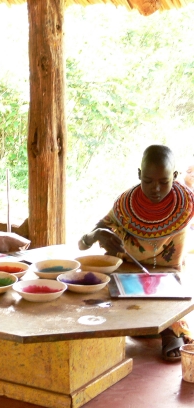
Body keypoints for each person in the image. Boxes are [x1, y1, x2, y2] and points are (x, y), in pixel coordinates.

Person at [78, 144, 194, 361]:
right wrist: (96, 235)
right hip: (128, 270)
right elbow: (82, 244)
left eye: (164, 182)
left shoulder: (186, 204)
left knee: (171, 295)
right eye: (148, 181)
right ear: (139, 174)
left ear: (175, 176)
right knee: (97, 293)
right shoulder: (126, 204)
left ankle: (170, 331)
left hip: (169, 272)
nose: (155, 188)